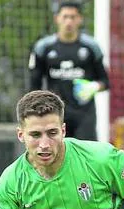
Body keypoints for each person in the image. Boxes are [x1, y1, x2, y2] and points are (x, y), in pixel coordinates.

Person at [28, 0, 110, 140]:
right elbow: (34, 86)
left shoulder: (91, 47)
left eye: (73, 17)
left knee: (85, 156)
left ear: (80, 19)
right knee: (58, 157)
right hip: (55, 114)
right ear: (57, 19)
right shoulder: (43, 48)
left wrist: (94, 86)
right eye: (65, 17)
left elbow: (105, 82)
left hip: (84, 115)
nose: (69, 21)